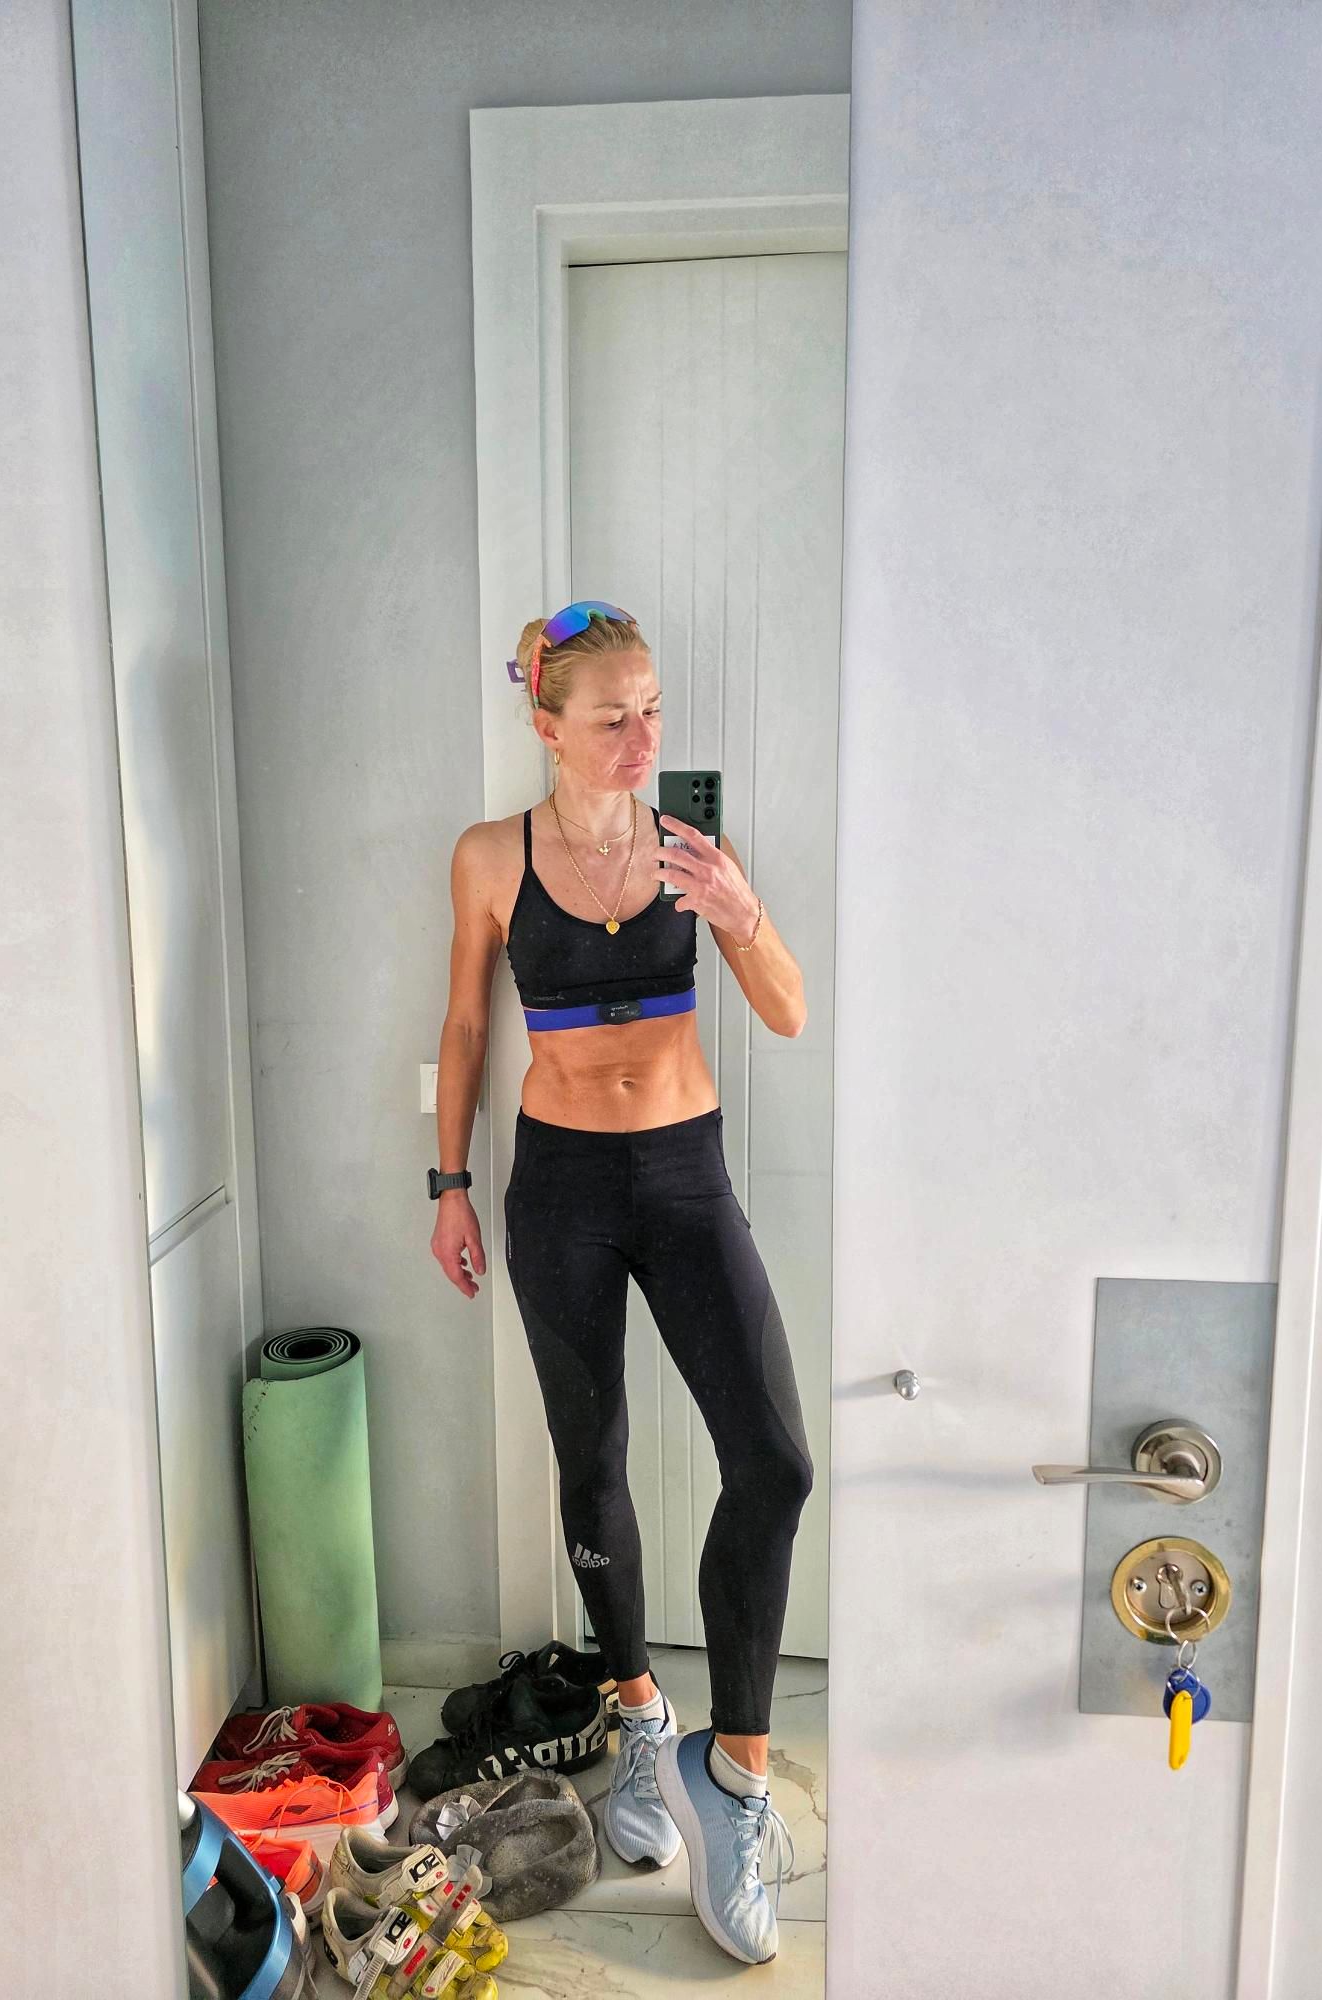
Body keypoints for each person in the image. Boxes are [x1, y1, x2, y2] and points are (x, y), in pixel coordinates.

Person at [428, 601, 813, 1965]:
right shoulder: (491, 857)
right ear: (547, 725)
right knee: (590, 1461)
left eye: (652, 711)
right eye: (612, 718)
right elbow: (465, 1020)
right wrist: (448, 1181)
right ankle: (641, 1717)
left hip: (686, 1178)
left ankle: (735, 1776)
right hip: (563, 1191)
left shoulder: (694, 846)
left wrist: (741, 914)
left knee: (773, 1462)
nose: (644, 739)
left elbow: (787, 1009)